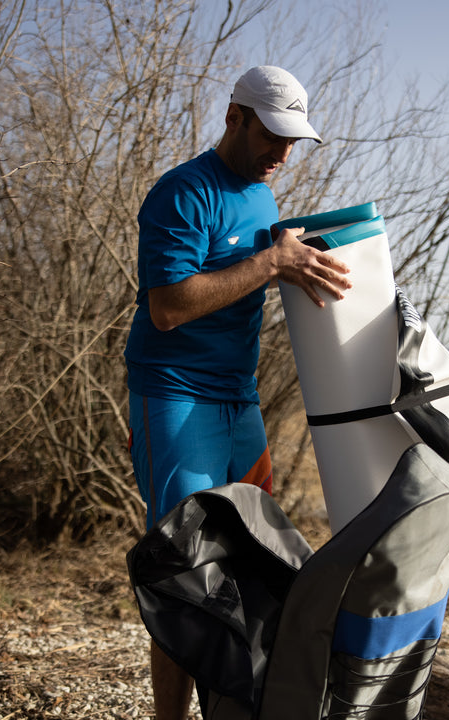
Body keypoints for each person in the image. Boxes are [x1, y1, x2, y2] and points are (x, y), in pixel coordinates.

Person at [124, 66, 351, 720]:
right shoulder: (181, 194)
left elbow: (253, 278)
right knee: (182, 566)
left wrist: (302, 268)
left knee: (252, 552)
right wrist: (273, 263)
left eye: (293, 142)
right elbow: (168, 306)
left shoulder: (264, 198)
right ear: (235, 118)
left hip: (238, 399)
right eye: (272, 136)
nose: (282, 154)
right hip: (174, 396)